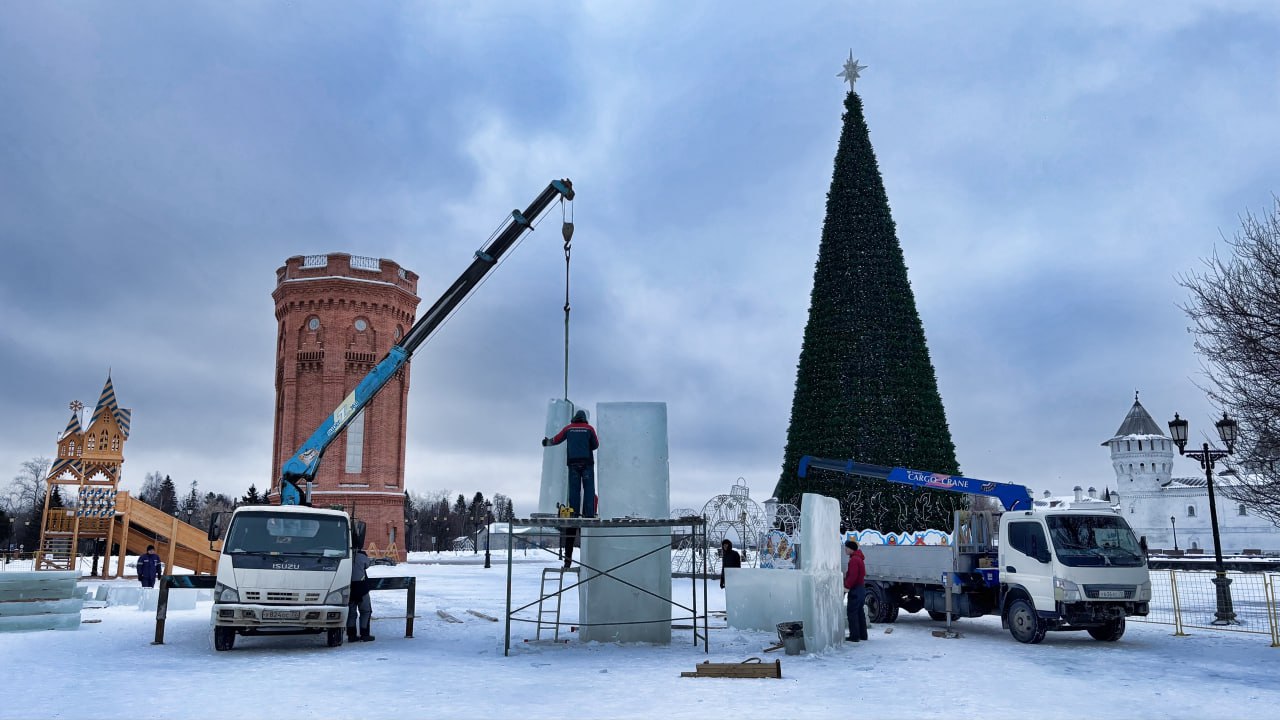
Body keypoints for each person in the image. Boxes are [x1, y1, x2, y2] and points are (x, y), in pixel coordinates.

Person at [543, 409, 600, 569]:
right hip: (587, 463)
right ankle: (589, 513)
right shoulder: (589, 429)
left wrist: (547, 442)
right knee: (589, 489)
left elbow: (557, 439)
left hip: (573, 463)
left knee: (574, 490)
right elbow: (596, 445)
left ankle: (574, 512)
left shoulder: (568, 428)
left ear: (574, 418)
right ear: (585, 418)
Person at [347, 547, 374, 642]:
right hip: (362, 588)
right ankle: (365, 634)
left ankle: (351, 635)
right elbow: (368, 564)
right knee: (366, 611)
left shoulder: (345, 553)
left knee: (351, 613)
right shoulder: (362, 555)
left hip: (348, 587)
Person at [843, 539, 868, 642]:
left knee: (852, 613)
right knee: (859, 612)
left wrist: (846, 587)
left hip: (855, 589)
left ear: (850, 549)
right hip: (861, 588)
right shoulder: (859, 558)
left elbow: (853, 576)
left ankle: (854, 636)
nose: (845, 550)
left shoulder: (854, 560)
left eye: (846, 548)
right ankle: (863, 635)